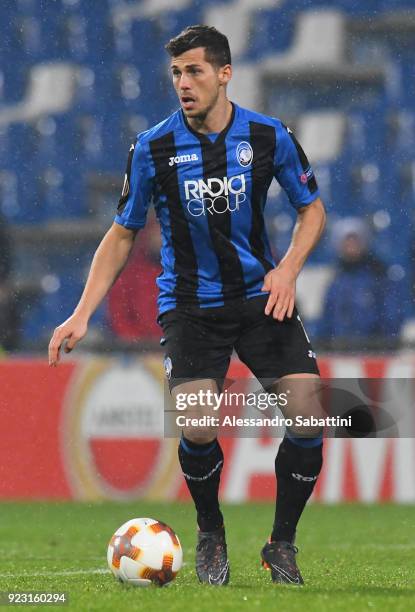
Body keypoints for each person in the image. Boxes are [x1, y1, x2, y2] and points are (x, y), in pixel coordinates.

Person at [48, 25, 326, 586]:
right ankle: (211, 533)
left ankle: (281, 545)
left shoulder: (269, 137)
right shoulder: (153, 147)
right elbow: (122, 233)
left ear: (225, 73)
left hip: (259, 298)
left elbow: (312, 209)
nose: (183, 83)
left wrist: (288, 268)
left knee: (310, 415)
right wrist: (80, 312)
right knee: (198, 426)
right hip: (191, 306)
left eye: (195, 70)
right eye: (176, 72)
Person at [317, 217, 400, 347]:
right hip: (342, 347)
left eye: (355, 242)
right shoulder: (337, 281)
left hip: (373, 348)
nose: (351, 247)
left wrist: (383, 342)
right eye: (347, 242)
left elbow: (390, 314)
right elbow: (328, 317)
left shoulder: (378, 277)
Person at [107, 212, 161, 342]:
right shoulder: (129, 274)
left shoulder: (186, 272)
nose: (160, 238)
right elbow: (118, 315)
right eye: (157, 232)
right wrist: (137, 342)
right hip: (135, 352)